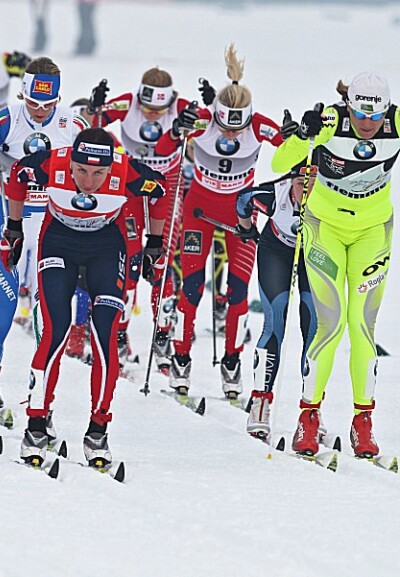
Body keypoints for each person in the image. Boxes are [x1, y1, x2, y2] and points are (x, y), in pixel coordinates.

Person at [3, 128, 165, 466]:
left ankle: (98, 429)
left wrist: (154, 243)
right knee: (56, 330)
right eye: (81, 170)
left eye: (98, 173)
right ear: (71, 162)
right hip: (58, 243)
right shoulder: (51, 163)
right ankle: (36, 422)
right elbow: (17, 175)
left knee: (105, 333)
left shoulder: (125, 169)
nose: (88, 181)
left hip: (106, 247)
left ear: (110, 168)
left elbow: (160, 189)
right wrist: (14, 227)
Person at [272, 72, 400, 458]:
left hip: (372, 233)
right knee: (331, 323)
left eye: (375, 116)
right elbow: (279, 162)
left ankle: (363, 421)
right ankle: (308, 416)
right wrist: (302, 135)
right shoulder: (330, 120)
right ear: (349, 106)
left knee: (362, 325)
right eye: (360, 114)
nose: (367, 124)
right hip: (324, 228)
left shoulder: (396, 122)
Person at [0, 57, 87, 439]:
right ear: (22, 95)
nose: (40, 111)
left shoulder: (73, 126)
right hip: (9, 227)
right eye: (33, 103)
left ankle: (41, 410)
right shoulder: (6, 120)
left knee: (49, 324)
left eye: (47, 105)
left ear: (58, 99)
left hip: (53, 230)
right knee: (0, 317)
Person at [155, 44, 287, 399]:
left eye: (236, 129)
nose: (230, 135)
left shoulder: (257, 124)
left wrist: (296, 134)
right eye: (225, 128)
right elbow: (165, 148)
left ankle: (232, 361)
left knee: (238, 291)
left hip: (240, 213)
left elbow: (292, 150)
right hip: (199, 211)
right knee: (192, 287)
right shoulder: (202, 120)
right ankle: (181, 357)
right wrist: (176, 130)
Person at [83, 68, 193, 373]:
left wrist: (202, 113)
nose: (152, 114)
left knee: (161, 260)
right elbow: (93, 125)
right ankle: (119, 335)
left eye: (159, 109)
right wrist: (94, 107)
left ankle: (163, 335)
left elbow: (215, 127)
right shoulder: (128, 103)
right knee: (129, 260)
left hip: (166, 184)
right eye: (147, 107)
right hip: (131, 184)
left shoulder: (181, 106)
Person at [234, 165, 317, 440]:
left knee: (314, 329)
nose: (306, 189)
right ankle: (260, 402)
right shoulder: (274, 194)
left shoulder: (329, 195)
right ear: (290, 182)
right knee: (274, 322)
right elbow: (243, 199)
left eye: (313, 182)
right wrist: (246, 228)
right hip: (276, 250)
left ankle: (312, 409)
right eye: (300, 183)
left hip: (314, 252)